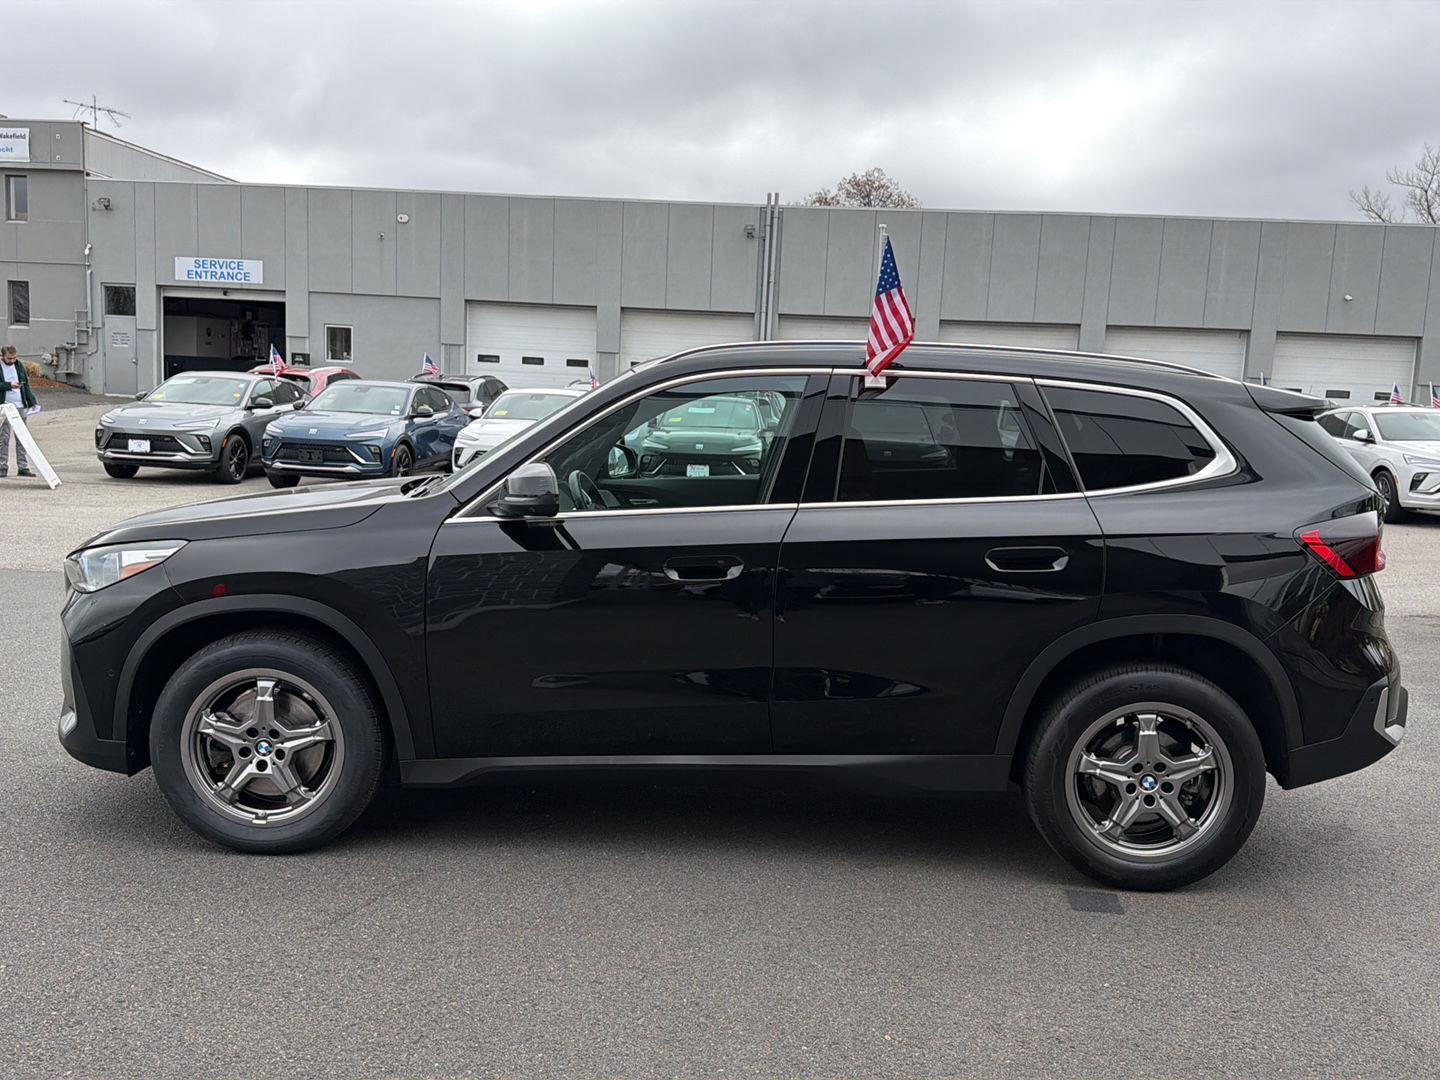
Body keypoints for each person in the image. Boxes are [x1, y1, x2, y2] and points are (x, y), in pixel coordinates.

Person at [1, 344, 37, 478]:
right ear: (2, 356)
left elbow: (25, 383)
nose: (12, 361)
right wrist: (9, 385)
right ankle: (2, 466)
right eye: (9, 358)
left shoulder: (19, 365)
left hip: (20, 405)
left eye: (14, 358)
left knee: (22, 438)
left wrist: (31, 400)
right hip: (5, 405)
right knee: (3, 437)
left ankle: (23, 466)